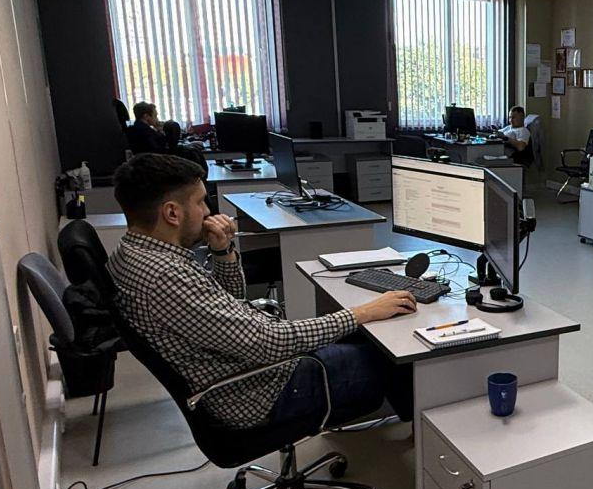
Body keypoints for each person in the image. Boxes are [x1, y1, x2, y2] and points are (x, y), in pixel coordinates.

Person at [108, 153, 416, 431]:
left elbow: (232, 302)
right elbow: (270, 343)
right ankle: (424, 442)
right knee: (401, 357)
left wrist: (222, 252)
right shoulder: (166, 276)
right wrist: (361, 312)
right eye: (200, 202)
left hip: (245, 368)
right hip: (261, 390)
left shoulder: (136, 253)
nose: (208, 211)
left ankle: (407, 417)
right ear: (172, 213)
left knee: (365, 334)